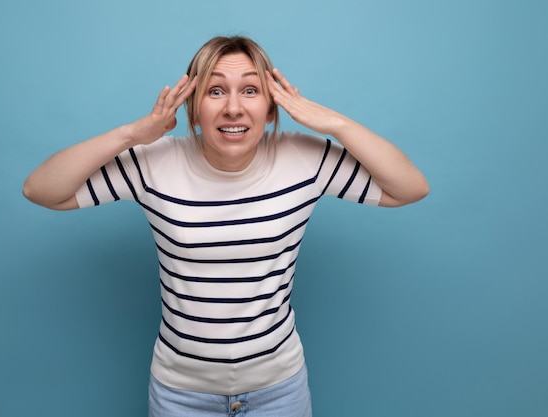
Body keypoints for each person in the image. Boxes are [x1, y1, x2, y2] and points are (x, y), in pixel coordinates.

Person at [23, 35, 429, 417]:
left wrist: (334, 124)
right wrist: (133, 134)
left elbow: (410, 188)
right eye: (215, 91)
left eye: (250, 90)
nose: (233, 108)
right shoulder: (153, 162)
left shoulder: (307, 159)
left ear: (271, 107)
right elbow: (41, 190)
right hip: (180, 395)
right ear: (193, 108)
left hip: (279, 392)